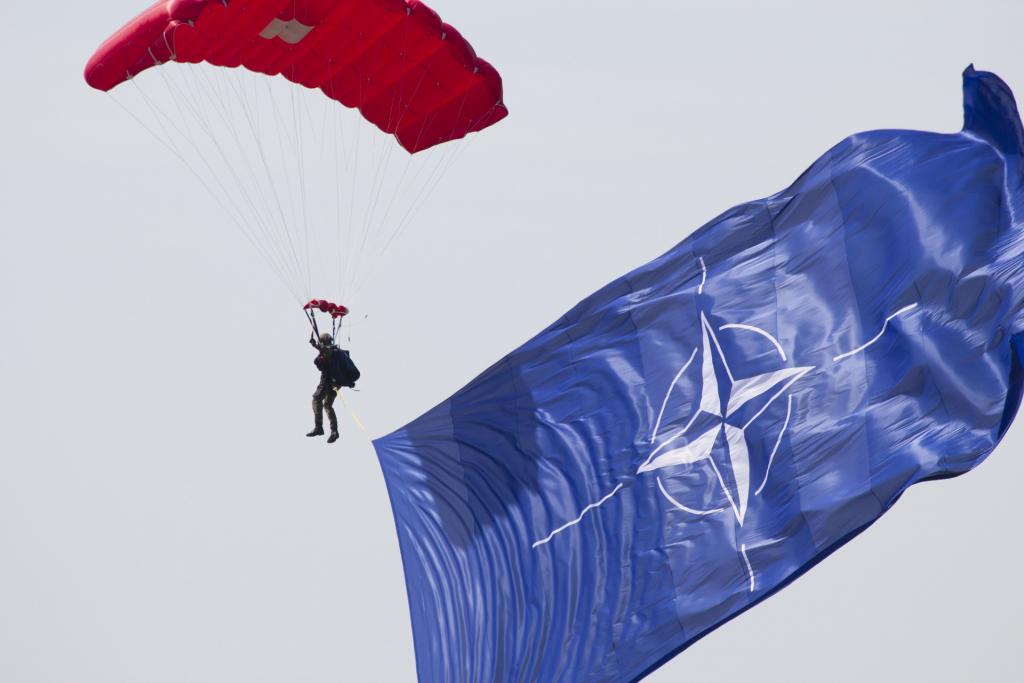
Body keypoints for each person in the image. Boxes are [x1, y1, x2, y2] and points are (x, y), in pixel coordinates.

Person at [308, 331, 340, 443]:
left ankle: (319, 427)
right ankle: (334, 431)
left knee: (316, 399)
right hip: (336, 383)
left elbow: (326, 351)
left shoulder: (330, 350)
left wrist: (316, 346)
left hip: (327, 381)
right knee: (327, 405)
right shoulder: (335, 351)